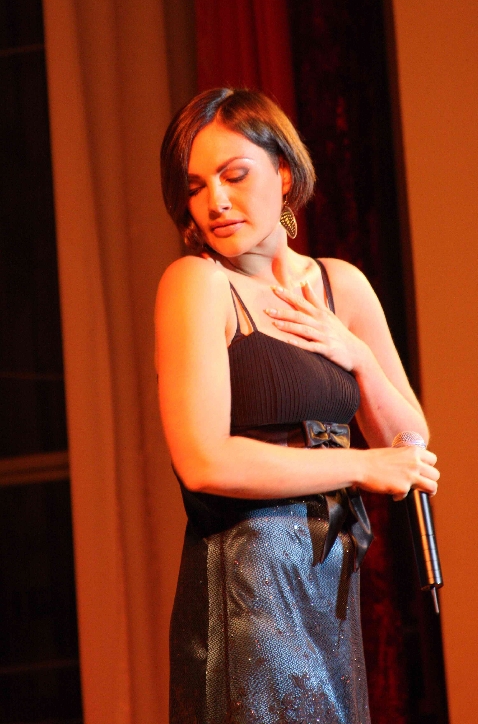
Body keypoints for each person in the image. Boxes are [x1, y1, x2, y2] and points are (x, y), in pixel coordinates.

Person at [156, 88, 438, 724]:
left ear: (283, 172)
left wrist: (357, 356)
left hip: (330, 581)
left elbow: (410, 445)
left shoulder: (340, 284)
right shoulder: (198, 284)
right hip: (248, 586)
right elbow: (203, 460)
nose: (216, 201)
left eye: (234, 176)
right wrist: (360, 466)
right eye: (197, 187)